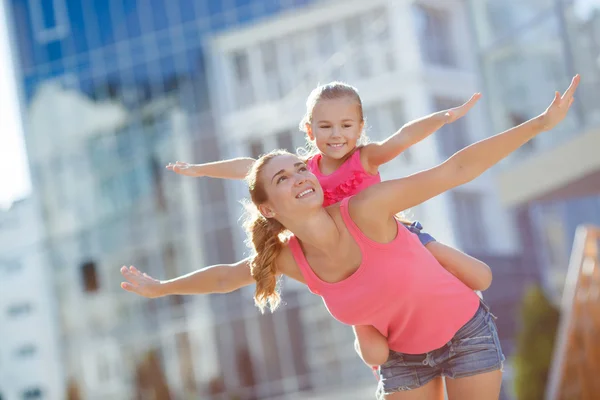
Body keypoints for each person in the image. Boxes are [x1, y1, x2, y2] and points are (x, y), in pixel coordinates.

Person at [121, 76, 579, 399]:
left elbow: (455, 169)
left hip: (466, 333)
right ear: (268, 208)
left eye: (300, 167)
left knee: (472, 274)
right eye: (284, 178)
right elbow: (226, 277)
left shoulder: (365, 207)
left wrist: (539, 125)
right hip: (403, 359)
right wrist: (163, 288)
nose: (301, 174)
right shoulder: (289, 258)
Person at [164, 82, 492, 367]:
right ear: (309, 130)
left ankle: (444, 299)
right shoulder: (303, 170)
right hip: (350, 269)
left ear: (360, 128)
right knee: (375, 354)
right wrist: (200, 169)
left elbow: (404, 136)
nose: (337, 135)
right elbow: (248, 168)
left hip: (400, 240)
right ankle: (364, 321)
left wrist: (446, 116)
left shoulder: (366, 157)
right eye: (325, 127)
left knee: (481, 277)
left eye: (346, 126)